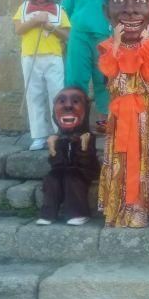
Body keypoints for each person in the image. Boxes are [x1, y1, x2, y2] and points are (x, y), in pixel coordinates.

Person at [97, 0, 149, 228]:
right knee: (120, 158)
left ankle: (138, 207)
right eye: (118, 1)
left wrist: (148, 47)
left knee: (139, 157)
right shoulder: (108, 48)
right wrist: (116, 45)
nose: (129, 10)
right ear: (107, 11)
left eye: (140, 1)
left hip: (141, 118)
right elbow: (110, 73)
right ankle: (116, 207)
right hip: (118, 117)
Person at [13, 0, 71, 150]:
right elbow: (19, 29)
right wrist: (35, 21)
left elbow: (67, 35)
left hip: (53, 57)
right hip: (30, 56)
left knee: (57, 95)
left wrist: (49, 26)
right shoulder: (24, 8)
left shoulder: (58, 9)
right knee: (34, 95)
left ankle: (59, 132)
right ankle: (38, 134)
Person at [63, 0, 114, 132]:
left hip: (104, 36)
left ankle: (105, 119)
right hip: (79, 37)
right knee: (76, 77)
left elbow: (117, 7)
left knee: (105, 79)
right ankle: (76, 121)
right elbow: (65, 11)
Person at [37, 87, 99, 226]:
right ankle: (48, 213)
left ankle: (78, 212)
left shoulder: (88, 136)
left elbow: (89, 163)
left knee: (72, 177)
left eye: (76, 101)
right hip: (64, 169)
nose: (68, 106)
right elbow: (56, 165)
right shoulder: (57, 138)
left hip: (84, 171)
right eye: (62, 101)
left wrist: (83, 146)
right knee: (52, 179)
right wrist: (53, 149)